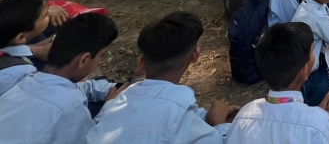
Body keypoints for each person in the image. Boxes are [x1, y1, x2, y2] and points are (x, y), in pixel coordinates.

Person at [87, 12, 236, 143]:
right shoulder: (183, 117)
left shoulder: (116, 104)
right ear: (195, 55)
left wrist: (204, 117)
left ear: (141, 63)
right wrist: (219, 124)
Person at [0, 13, 121, 144]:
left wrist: (105, 89)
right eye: (101, 56)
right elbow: (91, 140)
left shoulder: (24, 82)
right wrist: (110, 106)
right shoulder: (71, 106)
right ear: (84, 60)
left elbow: (68, 89)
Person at [226, 23, 329, 144]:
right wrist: (319, 118)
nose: (314, 56)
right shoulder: (321, 126)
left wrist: (316, 116)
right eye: (312, 52)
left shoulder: (244, 115)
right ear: (304, 71)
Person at [0, 0, 51, 96]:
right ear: (21, 37)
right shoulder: (23, 71)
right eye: (45, 15)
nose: (50, 13)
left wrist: (38, 50)